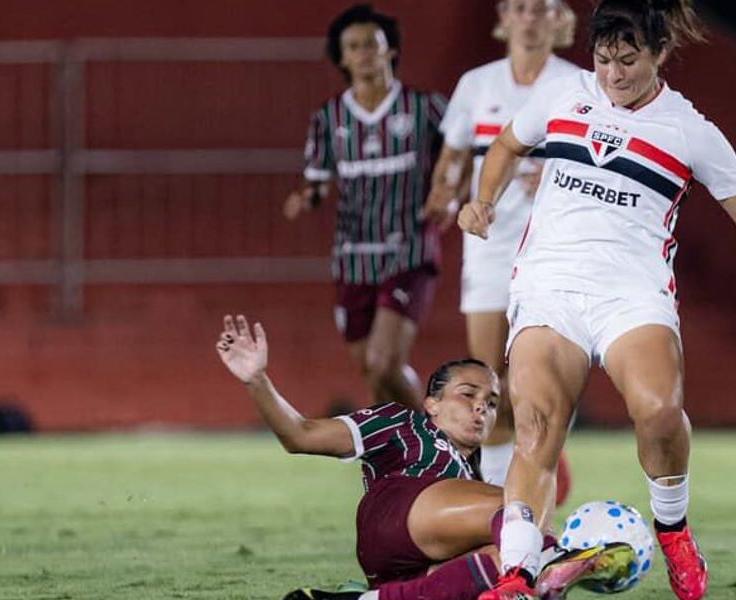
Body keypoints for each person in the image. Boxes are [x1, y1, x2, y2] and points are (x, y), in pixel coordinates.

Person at [457, 1, 736, 598]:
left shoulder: (690, 130)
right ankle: (517, 572)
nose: (613, 74)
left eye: (629, 61)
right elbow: (507, 146)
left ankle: (673, 530)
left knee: (660, 411)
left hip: (631, 295)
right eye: (604, 58)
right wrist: (484, 198)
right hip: (548, 287)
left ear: (660, 56)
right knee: (536, 425)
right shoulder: (564, 96)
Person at [214, 315, 632, 600]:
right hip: (393, 513)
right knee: (516, 510)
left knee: (502, 560)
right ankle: (552, 553)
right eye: (467, 395)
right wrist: (257, 379)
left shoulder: (471, 468)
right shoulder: (403, 423)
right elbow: (299, 435)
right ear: (431, 404)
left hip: (404, 569)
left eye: (490, 403)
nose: (480, 409)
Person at [422, 0, 580, 495]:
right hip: (488, 244)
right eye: (519, 7)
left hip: (553, 246)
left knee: (537, 381)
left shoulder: (577, 83)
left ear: (560, 18)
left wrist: (556, 176)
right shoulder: (478, 83)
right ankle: (495, 498)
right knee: (488, 379)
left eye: (541, 8)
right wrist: (441, 199)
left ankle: (537, 472)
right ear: (504, 18)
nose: (529, 17)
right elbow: (451, 158)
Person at [284, 4, 446, 409]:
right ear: (341, 57)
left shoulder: (424, 109)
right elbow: (318, 178)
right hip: (353, 256)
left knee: (383, 360)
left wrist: (452, 194)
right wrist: (307, 196)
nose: (364, 53)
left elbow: (458, 160)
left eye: (372, 44)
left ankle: (443, 447)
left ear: (390, 49)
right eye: (353, 46)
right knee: (374, 372)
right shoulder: (330, 118)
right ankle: (398, 462)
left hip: (409, 249)